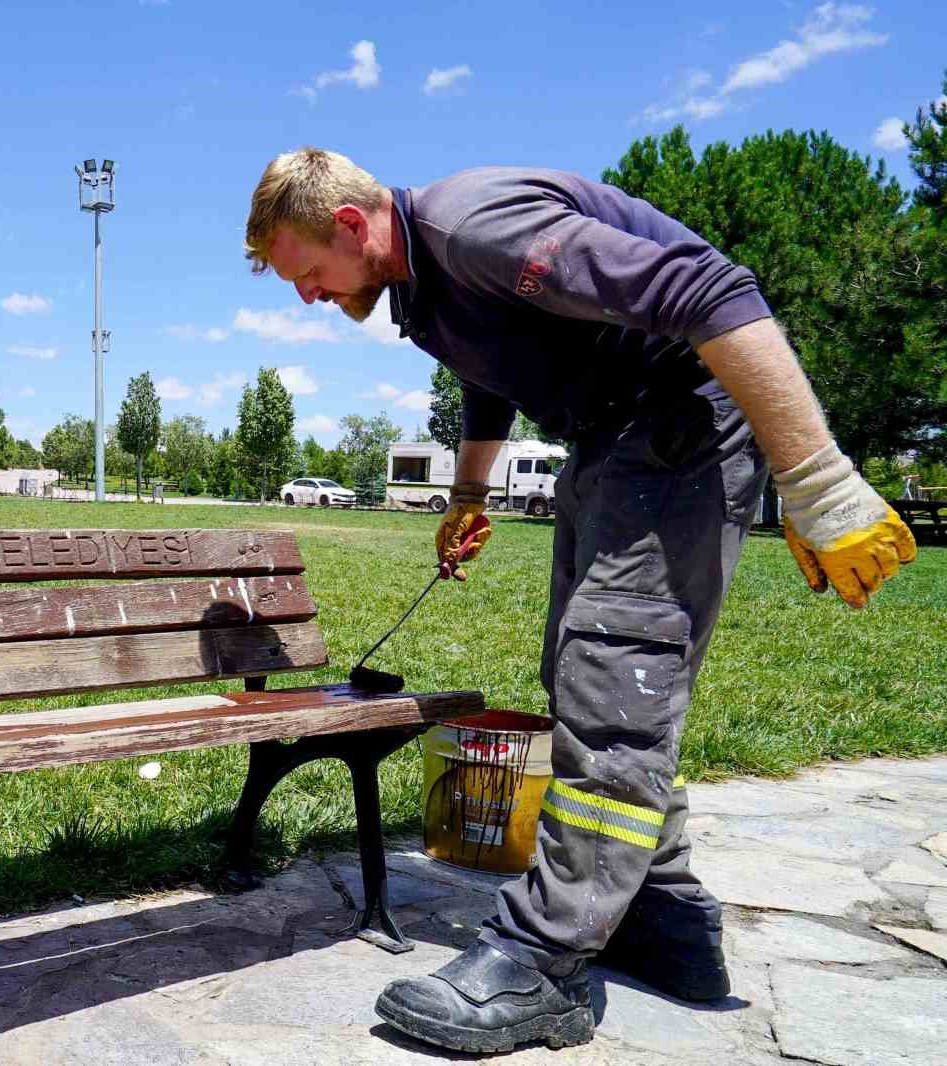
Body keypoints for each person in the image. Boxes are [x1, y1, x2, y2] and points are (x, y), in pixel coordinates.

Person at [243, 148, 917, 1054]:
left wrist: (818, 480)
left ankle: (541, 963)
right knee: (582, 674)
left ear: (354, 225)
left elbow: (706, 286)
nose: (309, 298)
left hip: (678, 425)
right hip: (613, 442)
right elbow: (489, 374)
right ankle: (659, 915)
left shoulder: (474, 226)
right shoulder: (427, 285)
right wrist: (469, 496)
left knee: (614, 684)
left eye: (309, 273)